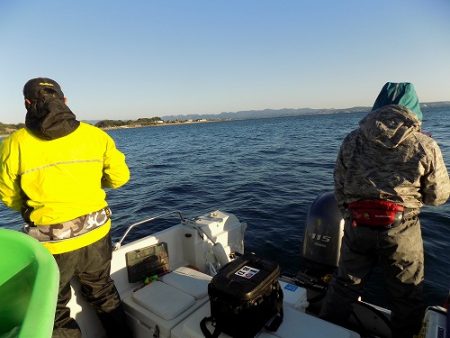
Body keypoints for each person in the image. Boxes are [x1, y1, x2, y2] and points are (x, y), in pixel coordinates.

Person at [0, 78, 132, 338]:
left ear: (27, 103)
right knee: (103, 291)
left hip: (51, 242)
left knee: (56, 307)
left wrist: (28, 209)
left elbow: (7, 194)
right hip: (95, 234)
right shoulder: (96, 136)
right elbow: (120, 178)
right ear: (64, 100)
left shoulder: (15, 143)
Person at [320, 82, 450, 338]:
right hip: (402, 232)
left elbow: (339, 186)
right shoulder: (425, 145)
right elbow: (438, 197)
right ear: (413, 108)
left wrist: (349, 215)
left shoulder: (351, 140)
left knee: (345, 285)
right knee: (406, 295)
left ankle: (323, 330)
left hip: (358, 227)